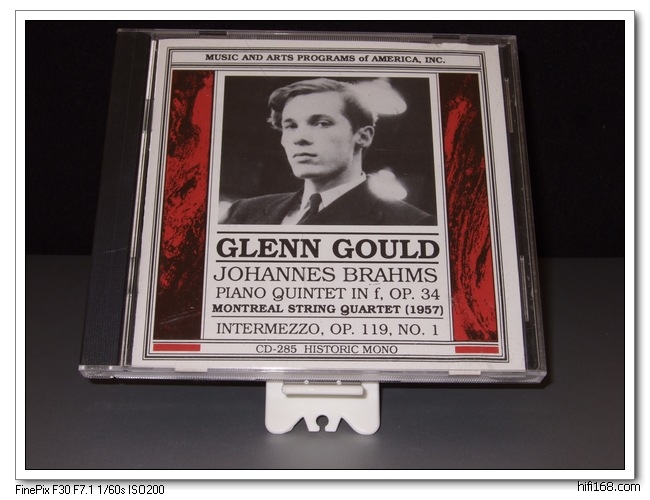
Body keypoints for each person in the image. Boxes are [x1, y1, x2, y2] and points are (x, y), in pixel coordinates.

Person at [221, 78, 435, 225]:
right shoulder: (243, 212)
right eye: (291, 126)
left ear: (363, 136)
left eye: (321, 123)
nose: (300, 138)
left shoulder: (411, 223)